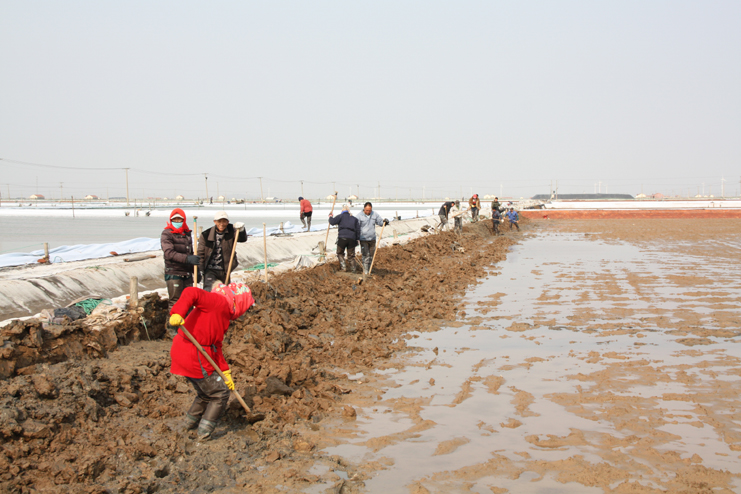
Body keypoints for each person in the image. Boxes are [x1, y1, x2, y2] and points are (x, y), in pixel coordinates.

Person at [168, 282, 255, 440]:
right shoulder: (218, 301)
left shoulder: (225, 315)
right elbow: (191, 292)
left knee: (205, 393)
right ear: (239, 302)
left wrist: (226, 372)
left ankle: (188, 424)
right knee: (220, 392)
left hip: (185, 351)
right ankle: (204, 434)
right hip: (193, 352)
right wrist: (177, 313)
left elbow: (217, 345)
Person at [161, 208, 200, 336]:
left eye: (180, 219)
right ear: (171, 220)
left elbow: (191, 253)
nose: (177, 221)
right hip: (174, 272)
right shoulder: (167, 234)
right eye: (175, 219)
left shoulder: (186, 233)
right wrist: (187, 259)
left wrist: (195, 270)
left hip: (187, 273)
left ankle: (187, 328)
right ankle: (172, 329)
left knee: (188, 302)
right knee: (175, 301)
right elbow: (169, 253)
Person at [198, 212, 247, 292]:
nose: (222, 224)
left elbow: (242, 239)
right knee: (209, 290)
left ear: (227, 222)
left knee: (225, 292)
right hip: (210, 269)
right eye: (219, 221)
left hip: (225, 269)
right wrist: (200, 269)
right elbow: (200, 253)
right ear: (215, 222)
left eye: (224, 221)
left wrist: (241, 230)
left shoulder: (232, 230)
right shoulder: (206, 234)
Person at [356, 202, 389, 275]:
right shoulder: (359, 216)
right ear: (364, 209)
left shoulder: (374, 214)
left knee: (371, 255)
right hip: (363, 239)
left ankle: (370, 268)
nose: (368, 212)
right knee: (366, 254)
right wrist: (356, 237)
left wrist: (385, 222)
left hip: (372, 238)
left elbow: (380, 222)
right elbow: (356, 227)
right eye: (366, 210)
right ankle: (365, 270)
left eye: (369, 210)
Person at [328, 204, 360, 273]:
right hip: (352, 238)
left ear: (342, 211)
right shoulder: (354, 219)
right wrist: (357, 239)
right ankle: (353, 270)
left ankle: (343, 267)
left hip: (342, 238)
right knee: (351, 256)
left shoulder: (340, 216)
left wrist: (330, 216)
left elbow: (332, 222)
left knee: (340, 253)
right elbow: (358, 230)